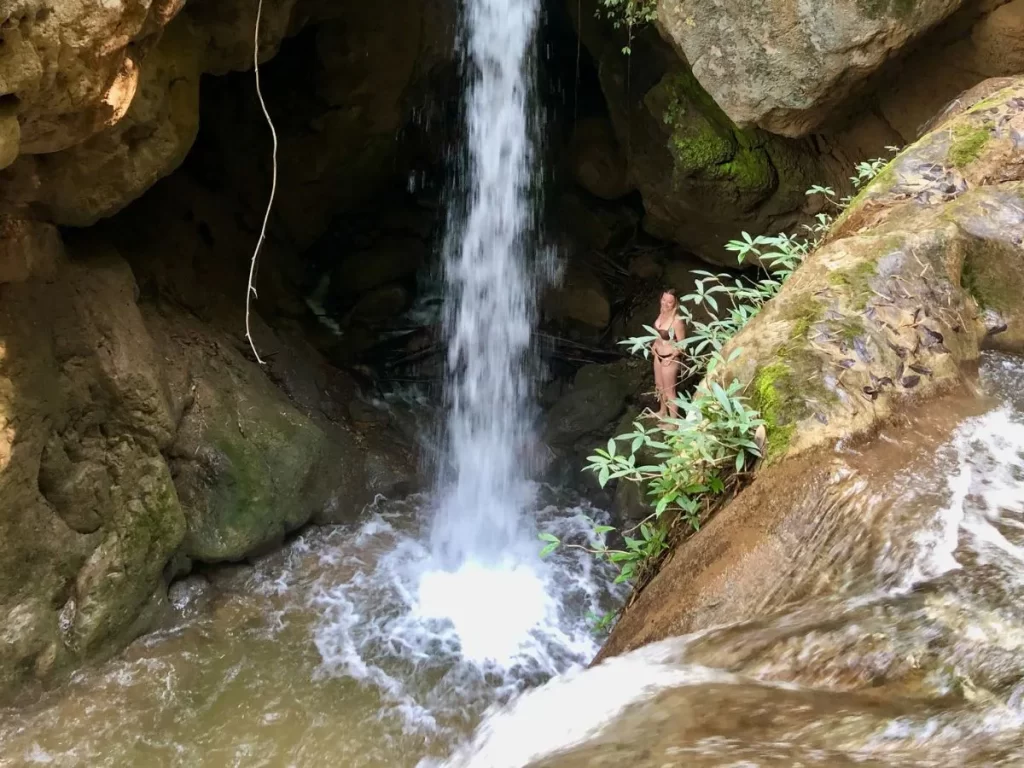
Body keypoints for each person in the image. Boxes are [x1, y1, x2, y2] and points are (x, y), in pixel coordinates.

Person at [652, 288, 686, 420]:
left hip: (670, 359)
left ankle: (673, 422)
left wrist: (671, 357)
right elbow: (658, 335)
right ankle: (662, 412)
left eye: (669, 302)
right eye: (663, 300)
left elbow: (683, 345)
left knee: (670, 391)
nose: (665, 304)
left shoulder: (677, 321)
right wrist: (654, 345)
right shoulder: (661, 313)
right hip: (658, 356)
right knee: (659, 386)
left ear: (676, 303)